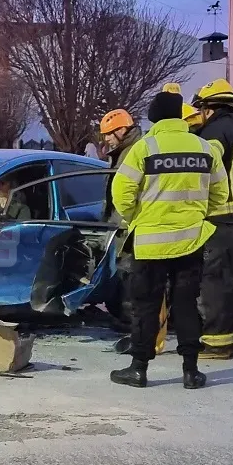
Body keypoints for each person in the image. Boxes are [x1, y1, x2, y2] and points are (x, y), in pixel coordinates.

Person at [109, 91, 229, 389]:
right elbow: (220, 195)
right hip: (190, 241)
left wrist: (137, 216)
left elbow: (120, 193)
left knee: (146, 306)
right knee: (186, 305)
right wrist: (197, 217)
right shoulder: (205, 148)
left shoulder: (144, 148)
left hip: (149, 243)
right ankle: (191, 371)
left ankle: (138, 369)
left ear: (155, 117)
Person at [192, 79, 233, 359]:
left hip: (221, 217)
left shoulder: (213, 134)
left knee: (214, 282)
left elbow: (207, 174)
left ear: (208, 108)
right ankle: (232, 338)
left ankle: (216, 343)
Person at [99, 110, 168, 357]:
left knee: (139, 286)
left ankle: (142, 338)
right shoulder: (124, 152)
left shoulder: (135, 151)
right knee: (131, 283)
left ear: (121, 130)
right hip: (126, 227)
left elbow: (128, 194)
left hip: (134, 228)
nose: (106, 139)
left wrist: (126, 221)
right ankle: (139, 333)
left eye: (108, 134)